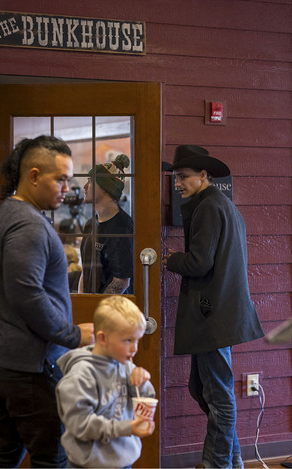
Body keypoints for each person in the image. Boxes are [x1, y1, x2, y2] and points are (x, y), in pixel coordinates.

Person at [0, 135, 95, 468]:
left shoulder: (9, 211)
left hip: (1, 362)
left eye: (68, 180)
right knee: (52, 458)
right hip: (28, 369)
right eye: (60, 179)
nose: (66, 188)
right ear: (33, 176)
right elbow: (26, 292)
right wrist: (72, 335)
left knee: (3, 452)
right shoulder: (28, 225)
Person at [162, 145, 264, 468]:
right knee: (203, 388)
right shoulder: (222, 205)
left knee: (217, 395)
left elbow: (199, 262)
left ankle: (217, 464)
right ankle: (232, 459)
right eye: (176, 177)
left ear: (203, 175)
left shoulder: (208, 207)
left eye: (183, 177)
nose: (177, 183)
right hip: (218, 315)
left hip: (213, 317)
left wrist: (171, 260)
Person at [56, 296, 156, 468]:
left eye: (137, 340)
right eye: (128, 340)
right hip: (89, 464)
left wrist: (141, 383)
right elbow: (80, 425)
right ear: (102, 338)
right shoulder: (81, 376)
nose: (135, 348)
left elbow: (146, 397)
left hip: (123, 461)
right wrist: (125, 428)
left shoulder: (125, 365)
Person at [79, 154, 134, 294]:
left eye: (90, 181)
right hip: (90, 306)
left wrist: (97, 309)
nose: (85, 187)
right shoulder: (91, 224)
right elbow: (85, 271)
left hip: (113, 311)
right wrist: (81, 300)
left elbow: (121, 282)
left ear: (106, 188)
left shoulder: (122, 226)